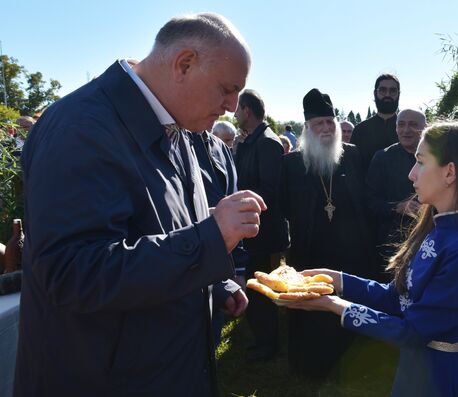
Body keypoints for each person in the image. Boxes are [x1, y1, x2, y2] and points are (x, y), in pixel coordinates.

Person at [15, 13, 264, 397]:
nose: (233, 106)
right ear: (184, 64)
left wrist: (213, 283)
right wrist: (210, 239)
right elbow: (73, 274)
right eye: (227, 89)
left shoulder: (177, 126)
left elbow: (161, 229)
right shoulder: (81, 128)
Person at [290, 121, 458, 396]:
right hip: (416, 367)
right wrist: (337, 279)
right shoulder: (436, 230)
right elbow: (399, 298)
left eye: (420, 162)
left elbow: (413, 331)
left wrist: (336, 306)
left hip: (439, 377)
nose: (411, 174)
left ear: (450, 172)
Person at [280, 88, 373, 379]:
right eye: (318, 123)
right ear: (307, 128)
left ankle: (350, 363)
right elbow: (283, 205)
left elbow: (365, 200)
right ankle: (311, 365)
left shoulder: (354, 156)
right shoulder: (292, 164)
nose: (325, 128)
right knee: (311, 311)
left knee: (346, 310)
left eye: (329, 122)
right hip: (310, 250)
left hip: (350, 254)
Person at [234, 89, 289, 361]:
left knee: (263, 290)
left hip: (263, 232)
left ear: (247, 110)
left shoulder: (267, 143)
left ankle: (269, 344)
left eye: (237, 109)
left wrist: (239, 202)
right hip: (252, 229)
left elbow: (270, 191)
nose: (234, 115)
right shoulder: (251, 141)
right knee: (256, 289)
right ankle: (262, 339)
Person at [192, 128, 249, 345]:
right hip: (184, 267)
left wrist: (238, 269)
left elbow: (235, 209)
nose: (229, 106)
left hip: (220, 269)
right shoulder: (169, 143)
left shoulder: (221, 149)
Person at [366, 109, 426, 282]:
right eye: (401, 124)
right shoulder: (382, 158)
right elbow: (370, 202)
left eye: (413, 125)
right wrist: (398, 207)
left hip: (429, 241)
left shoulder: (439, 157)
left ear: (425, 128)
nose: (406, 130)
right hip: (391, 245)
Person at [351, 74, 400, 171]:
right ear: (375, 93)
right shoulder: (360, 130)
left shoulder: (408, 130)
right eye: (382, 90)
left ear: (399, 94)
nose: (387, 95)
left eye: (393, 90)